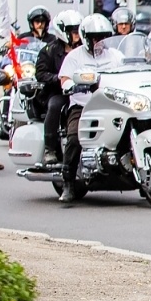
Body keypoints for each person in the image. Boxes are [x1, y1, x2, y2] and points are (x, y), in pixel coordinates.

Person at [56, 13, 120, 201]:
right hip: (84, 106)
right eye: (95, 37)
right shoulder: (74, 57)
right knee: (75, 138)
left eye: (103, 37)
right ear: (86, 37)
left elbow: (129, 69)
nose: (100, 41)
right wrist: (71, 85)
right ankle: (68, 183)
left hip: (112, 104)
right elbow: (64, 79)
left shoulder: (115, 55)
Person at [33, 9, 78, 165]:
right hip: (59, 92)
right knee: (54, 106)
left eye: (78, 30)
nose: (77, 34)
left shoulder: (84, 50)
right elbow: (40, 73)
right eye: (73, 31)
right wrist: (59, 79)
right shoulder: (49, 50)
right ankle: (49, 149)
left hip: (82, 92)